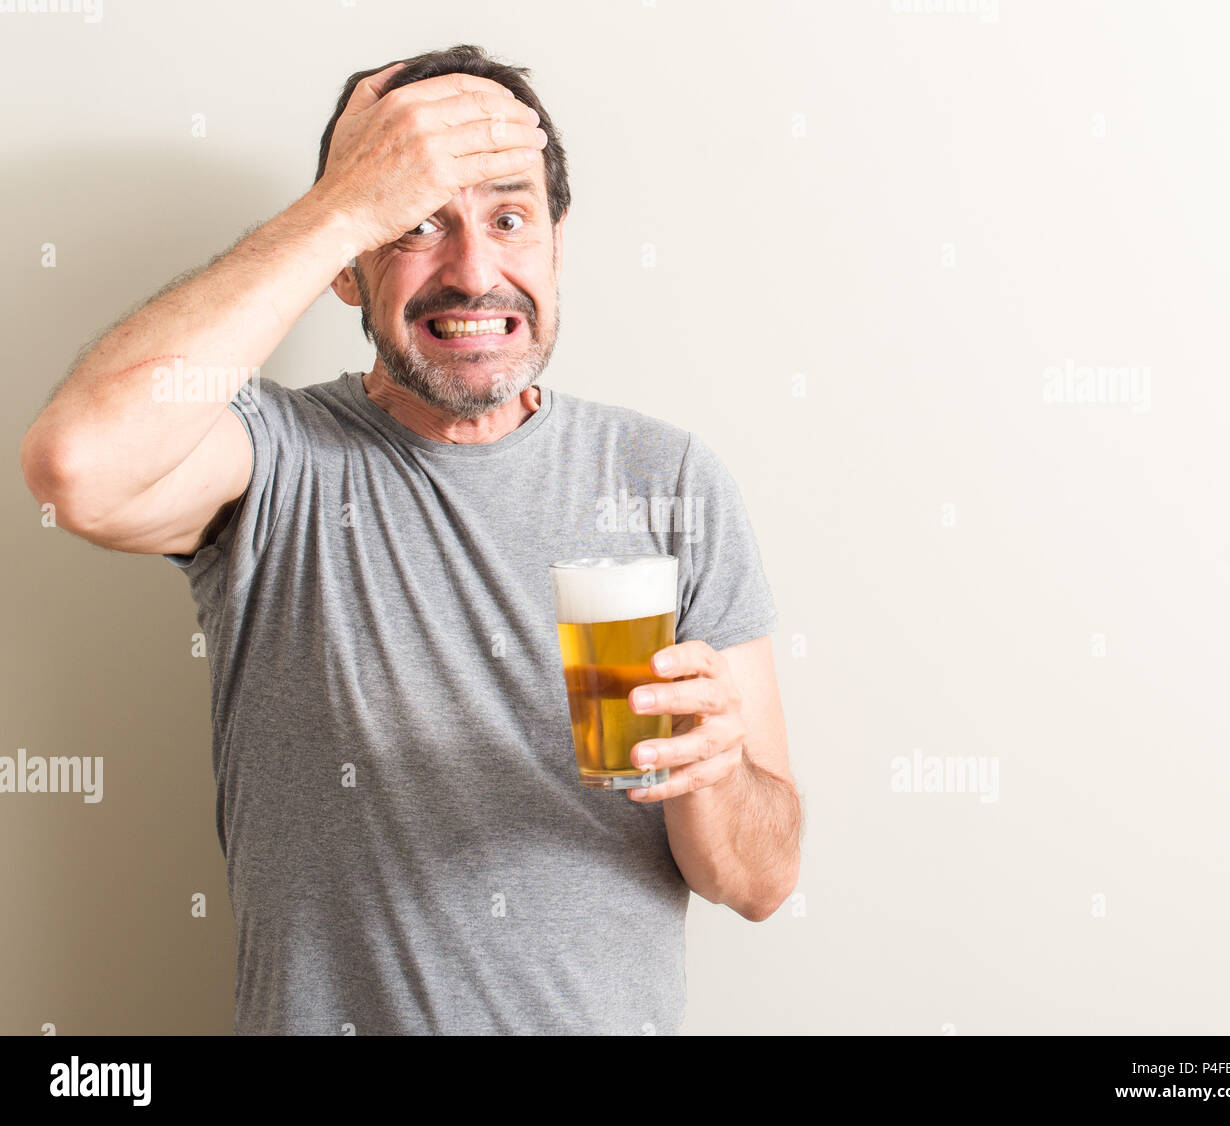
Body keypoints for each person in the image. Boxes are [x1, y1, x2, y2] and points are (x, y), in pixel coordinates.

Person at [20, 44, 802, 1035]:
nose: (473, 273)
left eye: (508, 216)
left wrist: (716, 774)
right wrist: (343, 204)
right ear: (348, 268)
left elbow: (763, 879)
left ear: (556, 242)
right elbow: (75, 466)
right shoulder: (274, 458)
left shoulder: (666, 478)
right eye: (416, 222)